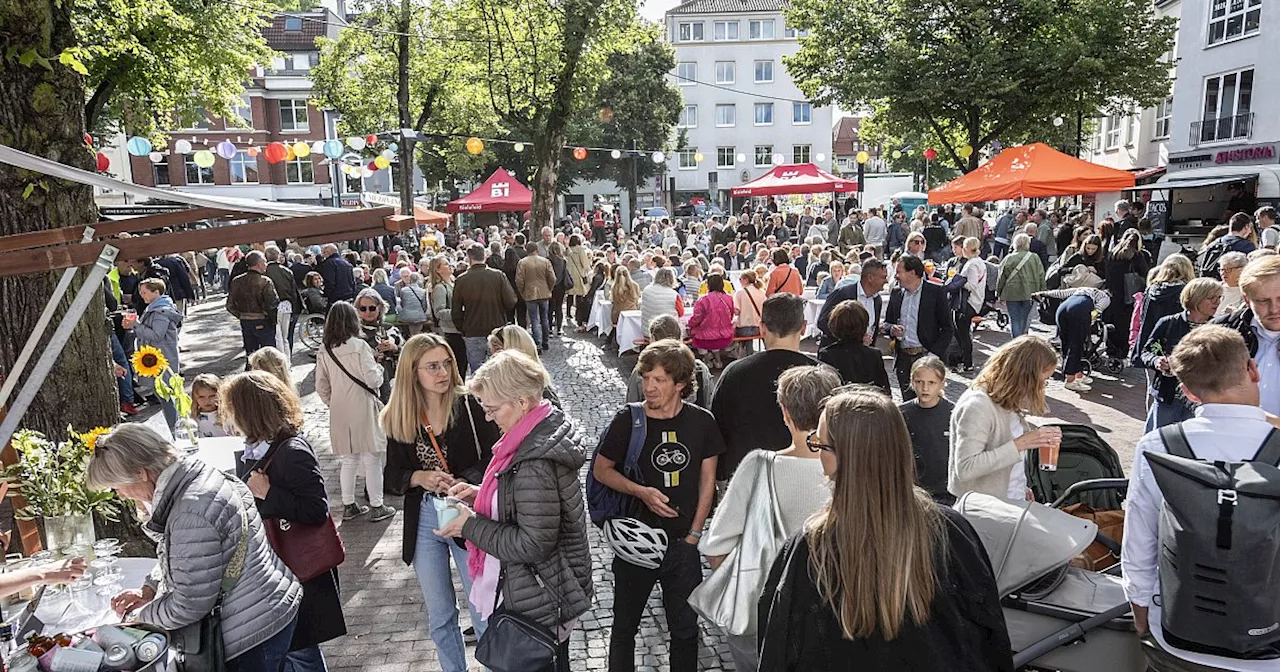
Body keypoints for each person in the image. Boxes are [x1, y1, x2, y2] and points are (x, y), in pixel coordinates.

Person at [758, 388, 1013, 671]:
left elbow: (779, 647)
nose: (816, 452)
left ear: (846, 457)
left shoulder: (812, 547)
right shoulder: (951, 531)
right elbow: (991, 634)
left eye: (820, 444)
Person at [1122, 325, 1275, 672]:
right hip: (1267, 644)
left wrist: (1142, 614)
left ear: (1188, 392)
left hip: (1179, 632)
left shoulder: (1159, 445)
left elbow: (1139, 539)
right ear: (1252, 369)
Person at [91, 424, 303, 672]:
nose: (121, 495)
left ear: (141, 474)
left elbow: (188, 605)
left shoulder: (190, 510)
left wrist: (139, 619)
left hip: (251, 630)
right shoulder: (193, 477)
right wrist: (150, 588)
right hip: (268, 607)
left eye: (116, 487)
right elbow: (185, 557)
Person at [434, 351, 593, 672]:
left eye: (492, 408)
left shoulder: (533, 460)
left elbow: (533, 543)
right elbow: (529, 505)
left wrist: (469, 525)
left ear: (522, 402)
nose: (489, 418)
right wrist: (483, 496)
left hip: (541, 595)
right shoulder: (536, 436)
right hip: (546, 590)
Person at [593, 340, 724, 672]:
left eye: (659, 380)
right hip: (636, 543)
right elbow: (601, 470)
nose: (648, 386)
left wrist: (694, 535)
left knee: (685, 632)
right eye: (645, 377)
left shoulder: (702, 422)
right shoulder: (629, 419)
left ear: (680, 383)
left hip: (682, 545)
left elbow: (707, 481)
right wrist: (641, 492)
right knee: (624, 628)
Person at [700, 365, 841, 671]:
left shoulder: (757, 468)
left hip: (761, 620)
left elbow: (715, 550)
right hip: (835, 623)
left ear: (785, 413)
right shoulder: (853, 473)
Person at [382, 334, 498, 672]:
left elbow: (495, 458)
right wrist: (418, 477)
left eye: (446, 363)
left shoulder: (471, 405)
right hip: (425, 517)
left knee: (482, 609)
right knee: (440, 615)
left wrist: (466, 480)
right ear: (412, 371)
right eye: (432, 366)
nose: (443, 372)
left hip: (467, 513)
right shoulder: (401, 414)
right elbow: (390, 475)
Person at [221, 371, 346, 672]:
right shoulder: (257, 449)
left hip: (299, 572)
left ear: (250, 412)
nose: (227, 419)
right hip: (278, 573)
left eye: (232, 410)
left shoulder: (291, 451)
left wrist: (269, 493)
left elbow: (317, 510)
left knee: (301, 652)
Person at [711, 294, 818, 481]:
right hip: (808, 476)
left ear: (761, 327)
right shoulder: (822, 375)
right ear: (803, 327)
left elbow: (717, 429)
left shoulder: (735, 373)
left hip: (748, 477)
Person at [948, 335, 1061, 500]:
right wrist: (1020, 444)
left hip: (1009, 499)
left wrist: (1019, 485)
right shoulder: (977, 406)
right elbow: (966, 468)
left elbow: (1002, 455)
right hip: (984, 508)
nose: (1042, 387)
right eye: (1043, 381)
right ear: (1026, 375)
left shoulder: (1007, 399)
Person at [315, 301, 396, 523]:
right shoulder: (359, 347)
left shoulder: (325, 349)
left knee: (349, 459)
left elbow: (321, 385)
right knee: (372, 457)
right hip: (363, 405)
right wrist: (379, 369)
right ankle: (377, 505)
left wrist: (334, 402)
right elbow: (373, 379)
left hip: (340, 409)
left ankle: (348, 504)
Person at [1140, 278, 1224, 431]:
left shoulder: (1219, 328)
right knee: (1159, 441)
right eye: (1212, 298)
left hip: (1201, 400)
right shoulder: (1169, 323)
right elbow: (1146, 351)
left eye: (1219, 298)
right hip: (1169, 395)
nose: (1217, 302)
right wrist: (1157, 360)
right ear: (1196, 298)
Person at [883, 256, 955, 401]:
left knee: (928, 401)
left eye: (899, 272)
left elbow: (948, 328)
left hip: (925, 355)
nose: (896, 276)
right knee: (908, 403)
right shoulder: (896, 293)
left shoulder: (935, 292)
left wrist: (934, 355)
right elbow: (887, 323)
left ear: (913, 273)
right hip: (903, 357)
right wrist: (891, 329)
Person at [898, 355, 954, 504]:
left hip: (947, 491)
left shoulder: (953, 413)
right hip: (913, 491)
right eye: (919, 382)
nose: (925, 388)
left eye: (931, 383)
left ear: (942, 384)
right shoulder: (901, 413)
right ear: (912, 382)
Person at [453, 245, 518, 374]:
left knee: (478, 372)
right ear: (485, 256)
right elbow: (511, 301)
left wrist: (463, 327)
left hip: (473, 330)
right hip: (496, 328)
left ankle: (480, 394)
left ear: (469, 258)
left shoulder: (461, 280)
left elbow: (456, 310)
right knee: (499, 370)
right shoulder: (498, 276)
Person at [131, 277, 183, 434]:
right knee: (165, 397)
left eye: (145, 292)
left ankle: (176, 430)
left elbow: (156, 335)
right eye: (141, 292)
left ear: (156, 292)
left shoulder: (160, 311)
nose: (142, 295)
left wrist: (136, 325)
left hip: (161, 359)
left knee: (167, 398)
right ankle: (176, 429)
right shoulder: (157, 308)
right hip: (159, 358)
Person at [1035, 285, 1112, 392]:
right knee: (1076, 345)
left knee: (1065, 343)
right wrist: (1089, 324)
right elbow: (1096, 312)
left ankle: (1078, 375)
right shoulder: (1105, 298)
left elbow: (1060, 293)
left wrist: (1043, 293)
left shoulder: (1082, 289)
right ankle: (1070, 380)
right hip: (1078, 312)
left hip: (1061, 310)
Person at [626, 315, 714, 409]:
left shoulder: (644, 371)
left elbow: (632, 406)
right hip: (694, 421)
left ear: (654, 340)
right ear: (680, 337)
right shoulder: (699, 369)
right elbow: (709, 403)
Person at [1133, 255, 1196, 365]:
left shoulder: (1151, 289)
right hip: (1176, 342)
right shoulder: (1186, 291)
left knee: (1152, 376)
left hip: (1150, 339)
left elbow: (1143, 316)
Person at [817, 301, 889, 392]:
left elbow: (824, 388)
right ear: (864, 325)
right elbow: (883, 387)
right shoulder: (873, 354)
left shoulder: (827, 354)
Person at [815, 258, 889, 347]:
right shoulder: (842, 294)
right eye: (883, 277)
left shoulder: (877, 300)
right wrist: (851, 341)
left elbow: (873, 330)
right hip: (836, 354)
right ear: (870, 278)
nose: (886, 281)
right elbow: (822, 322)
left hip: (862, 356)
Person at [1104, 229, 1152, 355]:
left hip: (1113, 293)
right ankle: (1122, 351)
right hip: (1130, 296)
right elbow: (1145, 273)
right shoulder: (1137, 256)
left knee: (1112, 323)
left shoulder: (1112, 254)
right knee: (1126, 324)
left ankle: (1111, 348)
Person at [227, 251, 280, 362]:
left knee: (251, 356)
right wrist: (273, 320)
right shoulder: (265, 281)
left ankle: (252, 377)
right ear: (260, 263)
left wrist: (242, 315)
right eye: (265, 262)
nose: (266, 264)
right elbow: (272, 304)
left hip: (246, 322)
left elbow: (230, 305)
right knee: (269, 356)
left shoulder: (236, 281)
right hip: (263, 321)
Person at [946, 237, 987, 373]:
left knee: (962, 334)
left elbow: (971, 285)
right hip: (975, 301)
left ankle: (967, 363)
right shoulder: (979, 262)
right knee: (961, 333)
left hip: (968, 303)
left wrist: (958, 281)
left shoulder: (972, 264)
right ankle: (965, 361)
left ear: (966, 249)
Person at [355, 288, 402, 402]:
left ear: (379, 307)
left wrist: (395, 348)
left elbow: (407, 354)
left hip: (392, 382)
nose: (368, 312)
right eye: (363, 308)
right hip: (365, 386)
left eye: (372, 308)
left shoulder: (390, 329)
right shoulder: (354, 333)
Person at [997, 234, 1046, 338]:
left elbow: (1001, 277)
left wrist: (999, 292)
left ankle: (1016, 342)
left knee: (1014, 319)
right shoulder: (1035, 257)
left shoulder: (1008, 258)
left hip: (1012, 292)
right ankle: (1021, 341)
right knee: (1024, 319)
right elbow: (1041, 275)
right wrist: (1042, 290)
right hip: (1030, 292)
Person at [427, 257, 467, 376]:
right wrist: (458, 312)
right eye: (445, 264)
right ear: (437, 270)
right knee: (458, 366)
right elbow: (439, 312)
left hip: (460, 329)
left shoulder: (452, 283)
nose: (449, 266)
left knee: (463, 365)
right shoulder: (440, 288)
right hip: (451, 331)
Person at [688, 274, 735, 369]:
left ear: (708, 285)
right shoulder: (729, 298)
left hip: (704, 338)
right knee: (713, 334)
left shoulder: (703, 300)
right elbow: (731, 315)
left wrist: (689, 324)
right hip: (725, 336)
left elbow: (696, 319)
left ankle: (707, 360)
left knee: (696, 333)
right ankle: (718, 361)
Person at [516, 242, 557, 352]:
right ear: (537, 249)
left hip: (529, 294)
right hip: (544, 293)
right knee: (544, 318)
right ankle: (545, 341)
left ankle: (537, 343)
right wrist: (549, 288)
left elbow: (519, 280)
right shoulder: (545, 261)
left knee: (534, 319)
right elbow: (552, 278)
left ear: (526, 250)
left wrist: (522, 292)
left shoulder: (522, 262)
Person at [265, 247, 302, 349]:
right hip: (287, 305)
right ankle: (287, 359)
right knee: (285, 337)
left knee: (277, 337)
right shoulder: (287, 271)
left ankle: (280, 361)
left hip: (274, 306)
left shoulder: (265, 271)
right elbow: (293, 290)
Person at [639, 267, 683, 339]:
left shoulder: (646, 290)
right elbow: (681, 313)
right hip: (669, 333)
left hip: (648, 330)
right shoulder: (674, 295)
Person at [190, 373, 230, 438]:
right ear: (195, 397)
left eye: (212, 396)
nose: (207, 400)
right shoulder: (192, 417)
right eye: (201, 397)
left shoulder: (227, 415)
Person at [565, 235, 592, 325]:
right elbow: (584, 263)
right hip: (579, 275)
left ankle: (568, 313)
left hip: (570, 275)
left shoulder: (568, 250)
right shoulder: (580, 250)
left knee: (570, 295)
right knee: (579, 295)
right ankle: (578, 314)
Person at [732, 269, 766, 339]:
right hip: (758, 328)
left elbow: (736, 311)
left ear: (746, 279)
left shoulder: (740, 293)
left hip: (744, 328)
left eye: (740, 279)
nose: (740, 281)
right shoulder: (761, 292)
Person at [397, 272, 431, 336]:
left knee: (411, 332)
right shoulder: (422, 291)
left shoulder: (403, 290)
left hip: (406, 315)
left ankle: (412, 339)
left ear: (410, 279)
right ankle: (415, 338)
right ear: (418, 280)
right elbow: (424, 306)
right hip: (419, 315)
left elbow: (402, 303)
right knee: (417, 332)